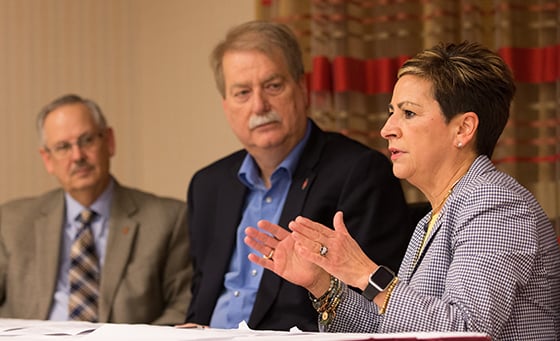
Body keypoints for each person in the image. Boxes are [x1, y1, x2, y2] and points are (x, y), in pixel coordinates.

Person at [245, 41, 560, 339]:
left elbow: (464, 331)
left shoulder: (496, 204)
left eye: (408, 113)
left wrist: (366, 274)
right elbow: (394, 328)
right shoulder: (433, 217)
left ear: (463, 129)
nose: (387, 129)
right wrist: (323, 283)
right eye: (391, 112)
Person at [183, 20, 414, 331]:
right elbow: (201, 296)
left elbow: (373, 307)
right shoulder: (207, 185)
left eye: (273, 86)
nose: (259, 105)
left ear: (302, 88)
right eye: (242, 93)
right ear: (226, 106)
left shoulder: (359, 173)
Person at [0, 94, 192, 325]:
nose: (78, 156)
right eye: (63, 147)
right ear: (47, 159)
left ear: (109, 141)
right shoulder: (11, 222)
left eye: (87, 140)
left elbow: (182, 305)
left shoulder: (168, 219)